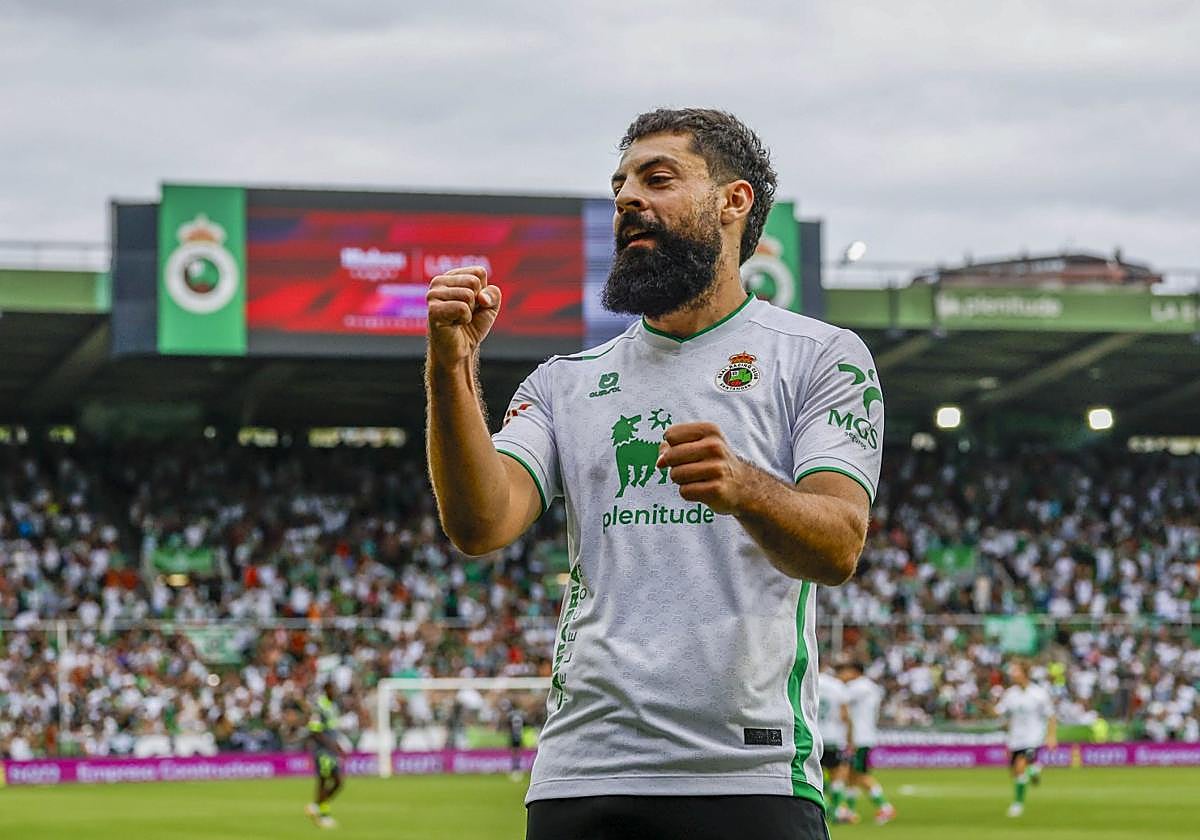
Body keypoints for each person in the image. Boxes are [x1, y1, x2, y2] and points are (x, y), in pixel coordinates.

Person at [425, 107, 883, 840]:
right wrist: (451, 366)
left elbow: (839, 547)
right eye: (620, 185)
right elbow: (481, 524)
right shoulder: (563, 383)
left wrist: (746, 489)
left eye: (657, 178)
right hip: (583, 773)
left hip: (747, 773)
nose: (627, 199)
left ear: (734, 202)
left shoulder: (820, 357)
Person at [996, 661, 1057, 817]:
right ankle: (1034, 768)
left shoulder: (1039, 693)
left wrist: (1051, 736)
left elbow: (1051, 716)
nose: (1013, 675)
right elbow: (1000, 713)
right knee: (1015, 772)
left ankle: (1017, 804)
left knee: (1020, 765)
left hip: (1033, 737)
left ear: (1025, 673)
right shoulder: (1010, 694)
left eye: (1016, 671)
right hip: (1015, 737)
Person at [837, 661, 895, 825]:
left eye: (846, 670)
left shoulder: (858, 687)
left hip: (858, 738)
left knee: (859, 775)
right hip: (864, 735)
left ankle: (885, 807)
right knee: (852, 776)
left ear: (854, 671)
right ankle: (850, 810)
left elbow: (838, 697)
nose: (843, 675)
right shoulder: (871, 687)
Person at [299, 684, 346, 830]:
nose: (335, 691)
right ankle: (323, 815)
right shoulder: (319, 707)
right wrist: (332, 745)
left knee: (336, 782)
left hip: (331, 751)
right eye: (332, 689)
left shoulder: (333, 707)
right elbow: (315, 731)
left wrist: (337, 746)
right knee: (328, 781)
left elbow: (332, 730)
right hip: (322, 751)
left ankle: (317, 807)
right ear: (326, 690)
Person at [817, 670, 855, 824]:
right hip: (833, 736)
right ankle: (836, 810)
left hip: (815, 735)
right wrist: (850, 738)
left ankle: (822, 807)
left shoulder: (810, 680)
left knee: (816, 774)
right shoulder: (837, 686)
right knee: (838, 774)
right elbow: (845, 715)